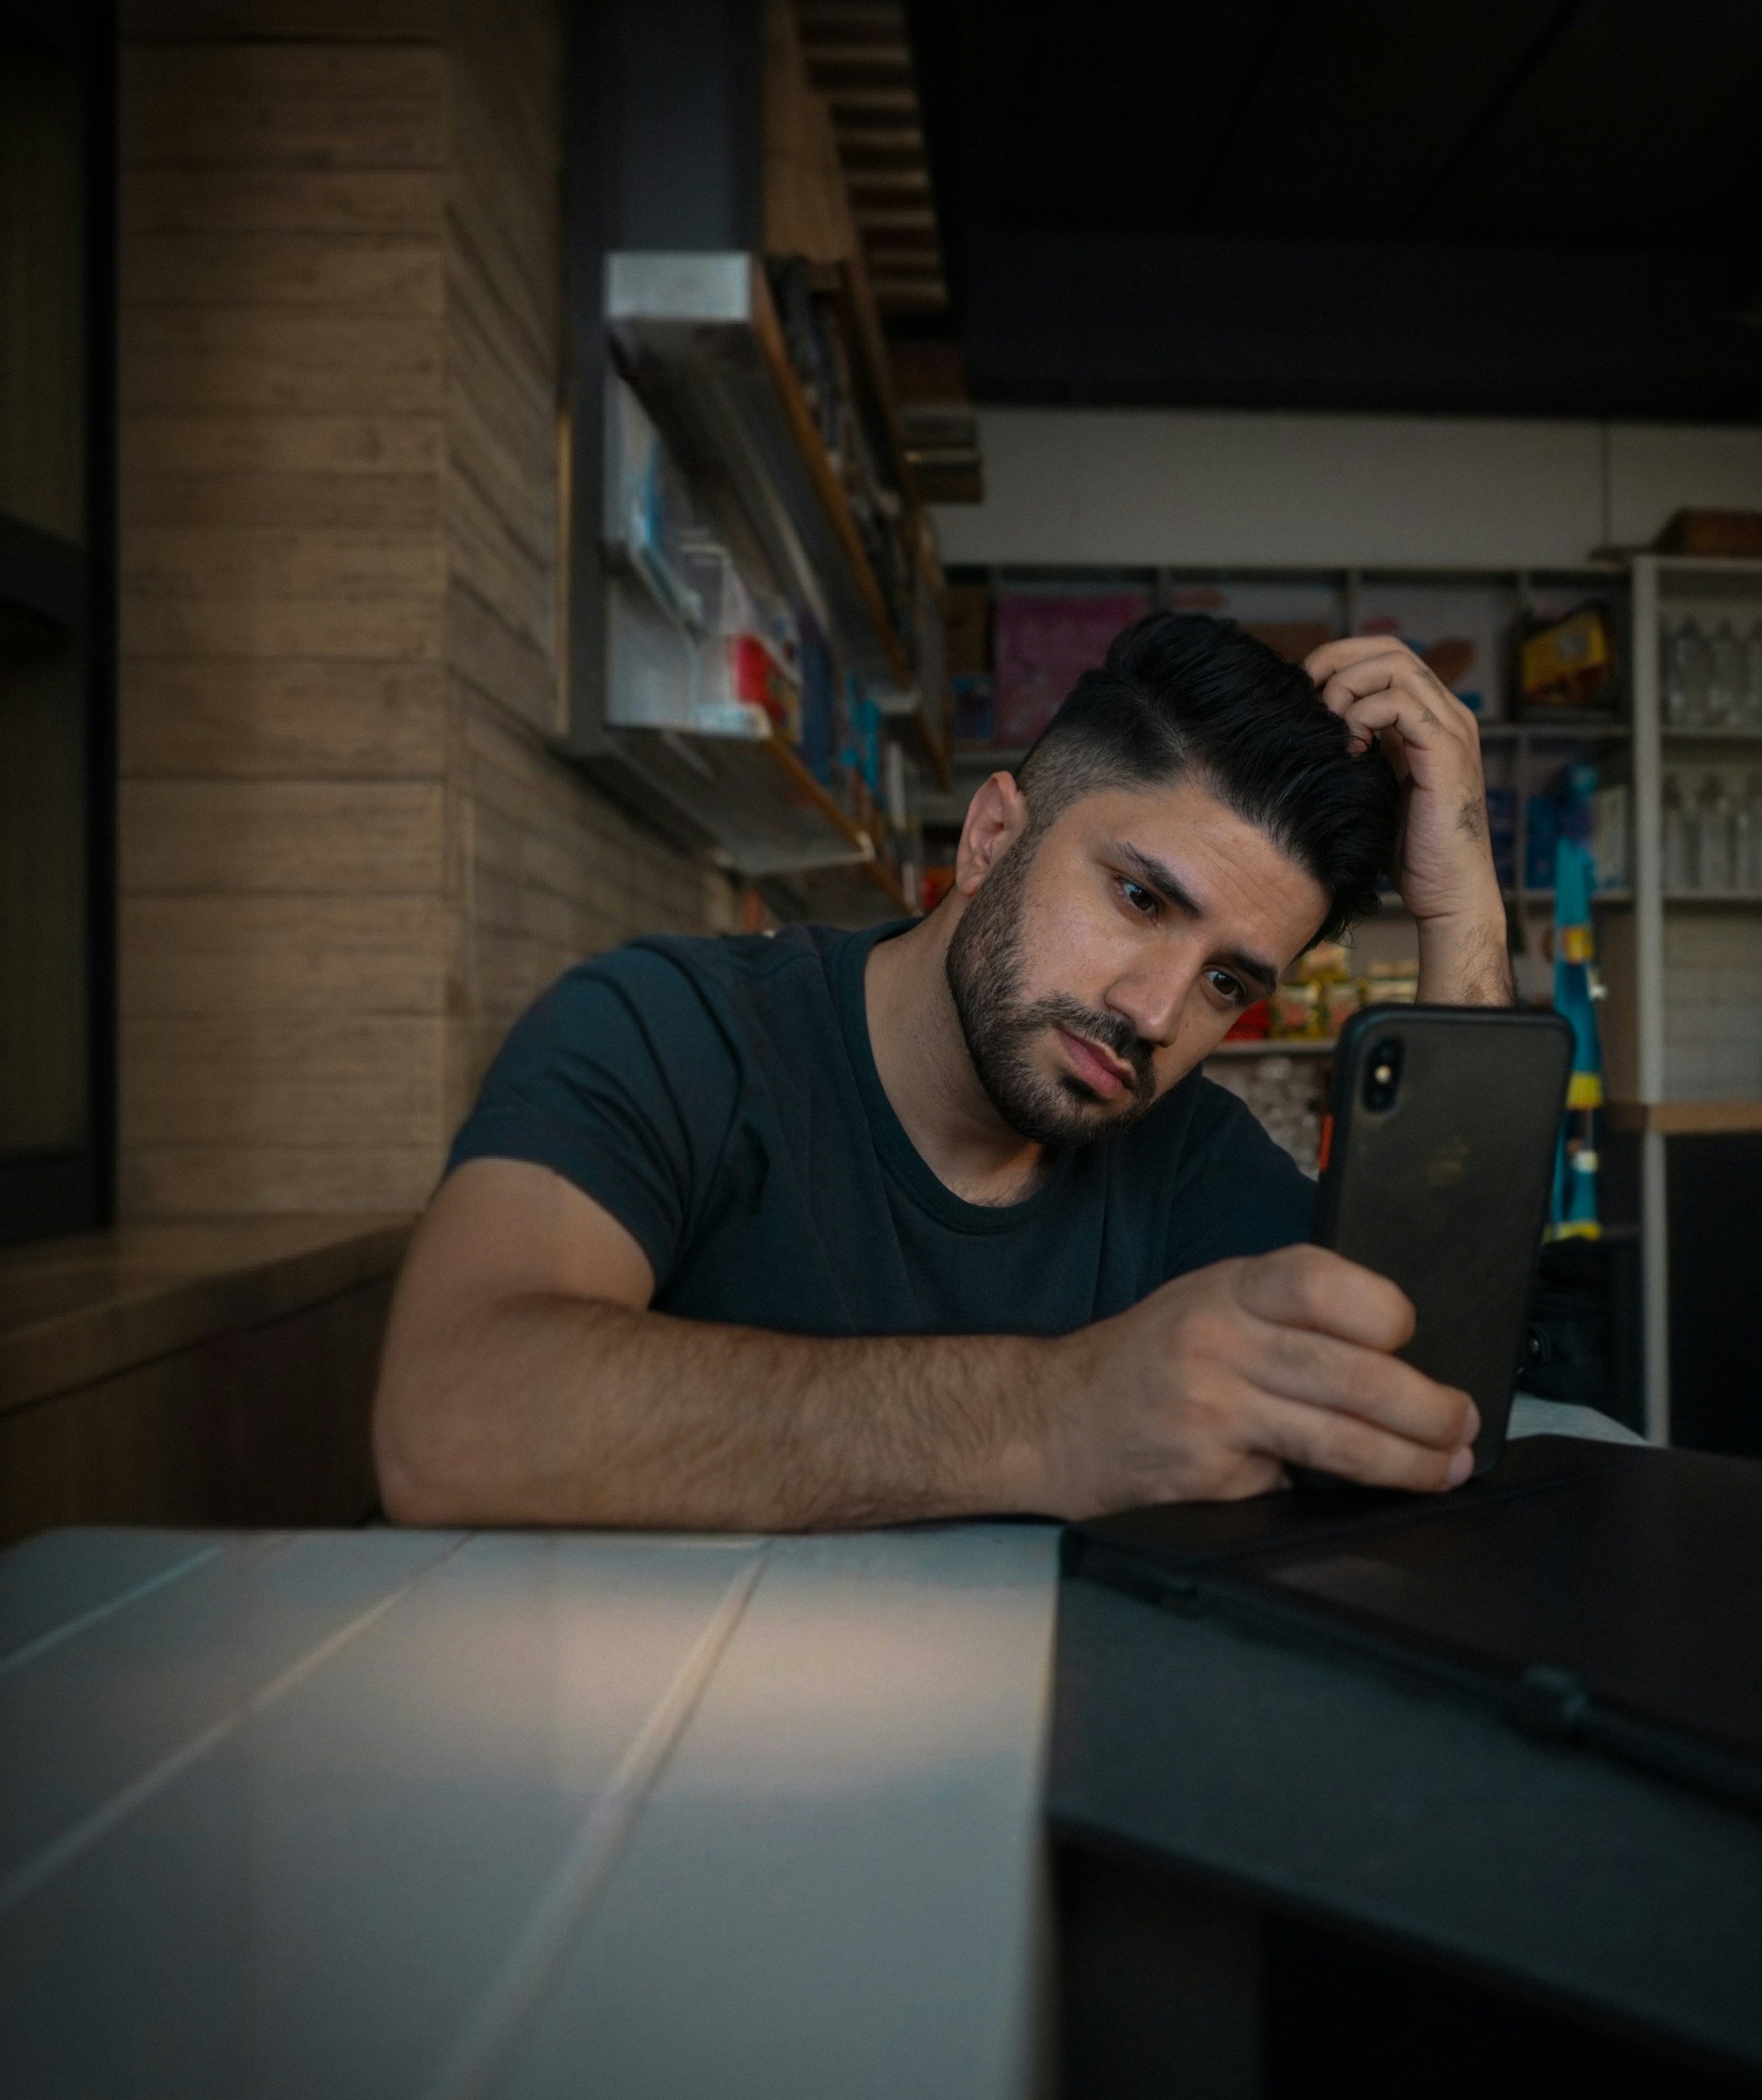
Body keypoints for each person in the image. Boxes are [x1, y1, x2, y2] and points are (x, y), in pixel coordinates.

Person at [373, 614, 1513, 1531]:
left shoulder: (1186, 1157)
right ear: (989, 838)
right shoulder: (671, 1032)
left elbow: (1425, 1407)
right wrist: (1056, 1416)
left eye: (1227, 984)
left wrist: (1465, 909)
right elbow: (452, 1417)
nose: (1152, 1012)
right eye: (1138, 899)